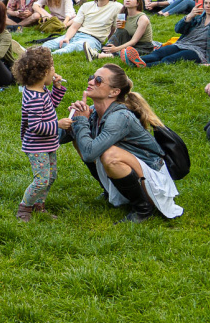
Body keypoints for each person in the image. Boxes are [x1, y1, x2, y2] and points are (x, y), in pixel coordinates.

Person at [59, 65, 183, 223]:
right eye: (92, 77)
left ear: (114, 92)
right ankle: (108, 191)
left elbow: (90, 154)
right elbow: (58, 139)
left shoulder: (120, 117)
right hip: (135, 173)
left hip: (154, 181)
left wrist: (81, 120)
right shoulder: (92, 111)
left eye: (98, 80)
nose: (91, 82)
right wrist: (72, 121)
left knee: (110, 154)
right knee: (80, 140)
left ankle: (143, 209)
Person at [12, 47, 67, 221]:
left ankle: (38, 205)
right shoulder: (35, 97)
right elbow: (35, 125)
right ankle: (24, 208)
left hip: (48, 144)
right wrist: (57, 124)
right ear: (43, 72)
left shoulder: (40, 90)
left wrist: (57, 88)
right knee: (42, 179)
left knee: (51, 176)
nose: (54, 72)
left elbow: (51, 105)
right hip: (37, 146)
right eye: (52, 69)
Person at [140, 0, 210, 67]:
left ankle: (140, 65)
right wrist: (189, 16)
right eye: (206, 3)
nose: (207, 6)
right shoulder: (197, 15)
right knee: (158, 53)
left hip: (199, 51)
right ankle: (133, 60)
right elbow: (178, 30)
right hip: (182, 44)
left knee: (168, 59)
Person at [42, 0, 120, 59]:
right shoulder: (86, 6)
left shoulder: (117, 7)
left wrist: (109, 44)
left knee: (71, 48)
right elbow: (74, 27)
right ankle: (33, 54)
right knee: (48, 44)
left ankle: (48, 57)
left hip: (93, 39)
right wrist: (67, 38)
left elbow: (115, 29)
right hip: (76, 35)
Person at [98, 0, 155, 67]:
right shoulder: (123, 15)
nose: (127, 0)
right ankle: (104, 52)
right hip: (127, 42)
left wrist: (116, 49)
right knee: (120, 31)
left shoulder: (142, 18)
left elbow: (134, 41)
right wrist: (117, 28)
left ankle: (102, 54)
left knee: (126, 53)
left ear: (138, 3)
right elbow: (118, 35)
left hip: (142, 46)